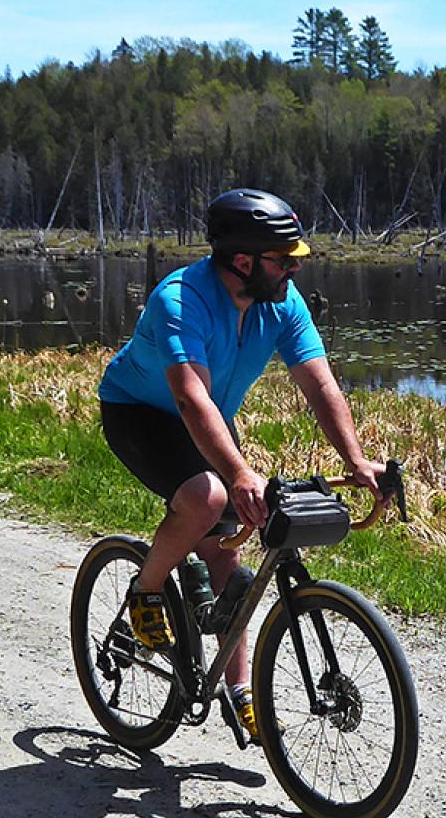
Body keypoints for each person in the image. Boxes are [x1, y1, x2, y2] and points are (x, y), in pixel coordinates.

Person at [98, 187, 384, 740]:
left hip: (206, 415)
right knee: (208, 497)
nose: (295, 269)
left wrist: (356, 459)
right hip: (141, 413)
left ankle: (238, 689)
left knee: (228, 547)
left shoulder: (282, 302)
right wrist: (237, 473)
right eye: (285, 259)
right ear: (244, 260)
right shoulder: (180, 299)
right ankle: (146, 590)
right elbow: (189, 398)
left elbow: (319, 382)